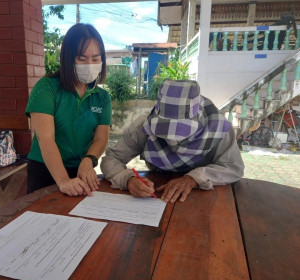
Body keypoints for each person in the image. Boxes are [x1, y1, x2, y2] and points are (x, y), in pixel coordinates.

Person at [100, 79, 244, 204]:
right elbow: (111, 159)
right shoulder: (144, 126)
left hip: (206, 198)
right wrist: (128, 179)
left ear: (198, 117)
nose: (173, 139)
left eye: (182, 130)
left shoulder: (217, 128)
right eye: (165, 129)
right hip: (158, 195)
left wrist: (194, 178)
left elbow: (233, 167)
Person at [25, 23, 112, 196]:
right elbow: (45, 139)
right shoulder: (46, 88)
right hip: (46, 171)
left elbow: (101, 138)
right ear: (68, 58)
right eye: (81, 58)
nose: (89, 64)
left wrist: (89, 160)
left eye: (95, 59)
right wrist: (64, 181)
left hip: (81, 170)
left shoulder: (102, 97)